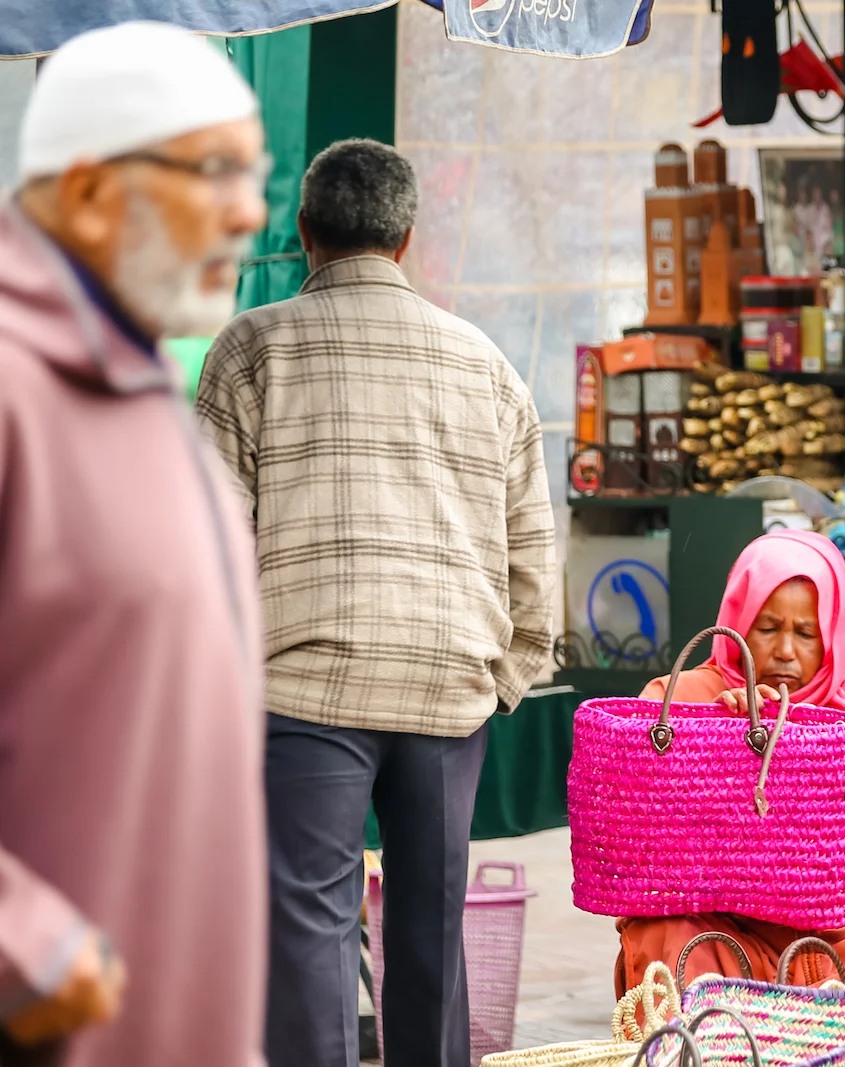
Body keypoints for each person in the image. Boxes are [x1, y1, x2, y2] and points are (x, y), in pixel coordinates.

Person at [195, 138, 558, 1067]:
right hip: (447, 692)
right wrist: (501, 679)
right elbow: (533, 552)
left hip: (303, 691)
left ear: (306, 233)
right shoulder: (485, 363)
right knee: (432, 930)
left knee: (311, 932)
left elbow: (206, 544)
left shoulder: (250, 347)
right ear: (405, 240)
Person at [0, 22, 268, 1067]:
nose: (251, 211)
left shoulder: (147, 379)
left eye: (255, 173)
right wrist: (24, 940)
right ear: (87, 191)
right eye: (212, 173)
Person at [615, 530, 845, 991]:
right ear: (738, 623)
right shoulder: (679, 701)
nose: (785, 651)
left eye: (807, 633)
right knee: (662, 932)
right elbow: (632, 827)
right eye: (768, 628)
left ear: (834, 634)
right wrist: (721, 736)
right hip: (730, 934)